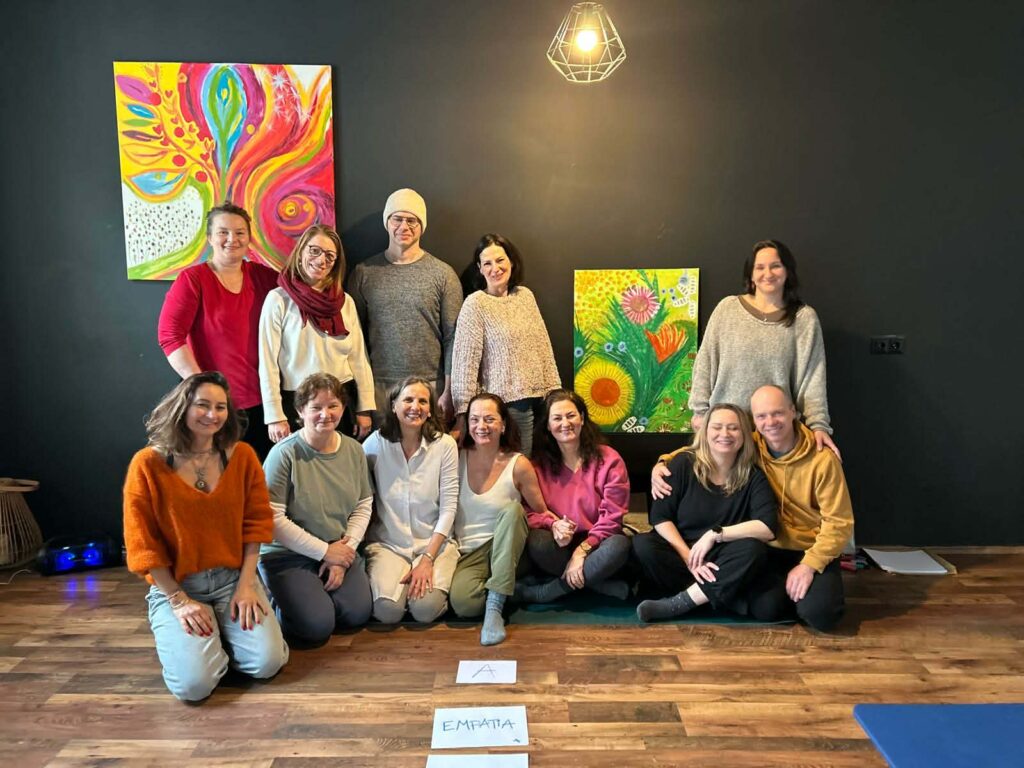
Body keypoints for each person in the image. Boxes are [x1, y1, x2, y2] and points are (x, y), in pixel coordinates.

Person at [122, 372, 288, 700]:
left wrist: (246, 586)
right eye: (203, 405)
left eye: (220, 407)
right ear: (182, 407)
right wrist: (178, 601)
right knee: (194, 687)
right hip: (178, 585)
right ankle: (198, 639)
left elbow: (256, 525)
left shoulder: (242, 457)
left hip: (233, 579)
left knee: (268, 663)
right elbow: (144, 545)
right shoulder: (147, 464)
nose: (212, 414)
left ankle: (221, 635)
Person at [688, 239, 840, 458]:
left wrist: (819, 425)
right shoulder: (727, 309)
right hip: (726, 433)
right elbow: (705, 363)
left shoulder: (804, 319)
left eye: (775, 266)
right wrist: (700, 412)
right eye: (760, 267)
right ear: (751, 274)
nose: (767, 273)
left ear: (787, 271)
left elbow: (812, 378)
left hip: (775, 435)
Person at [633, 404, 777, 622]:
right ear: (705, 432)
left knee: (753, 549)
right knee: (643, 545)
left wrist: (716, 534)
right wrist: (688, 557)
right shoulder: (683, 463)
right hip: (682, 552)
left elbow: (767, 527)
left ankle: (680, 603)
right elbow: (660, 518)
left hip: (722, 556)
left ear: (745, 435)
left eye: (733, 428)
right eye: (717, 427)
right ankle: (718, 594)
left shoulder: (753, 475)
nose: (725, 434)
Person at [157, 202, 279, 459]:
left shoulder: (265, 278)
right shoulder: (193, 279)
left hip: (262, 404)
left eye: (240, 232)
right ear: (210, 237)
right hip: (211, 408)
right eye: (223, 232)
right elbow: (170, 336)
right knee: (211, 475)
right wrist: (203, 388)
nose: (232, 239)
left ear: (249, 238)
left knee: (257, 476)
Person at [260, 373, 374, 645]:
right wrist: (325, 552)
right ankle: (277, 602)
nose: (326, 414)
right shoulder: (283, 454)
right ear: (300, 411)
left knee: (357, 614)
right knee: (316, 628)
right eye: (316, 407)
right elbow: (273, 519)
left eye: (333, 405)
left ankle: (314, 598)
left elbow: (363, 504)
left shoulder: (354, 450)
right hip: (287, 554)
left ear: (343, 408)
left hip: (338, 546)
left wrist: (342, 555)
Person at [348, 189, 462, 427]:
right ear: (387, 223)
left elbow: (453, 337)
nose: (404, 226)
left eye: (412, 220)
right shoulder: (363, 273)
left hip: (430, 387)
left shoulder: (443, 274)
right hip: (380, 389)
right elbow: (354, 338)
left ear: (422, 226)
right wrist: (362, 398)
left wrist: (449, 391)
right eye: (397, 219)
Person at [745, 385, 854, 631]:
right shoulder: (751, 447)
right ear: (754, 420)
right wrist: (664, 462)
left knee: (822, 616)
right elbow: (707, 448)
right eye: (761, 416)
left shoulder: (823, 459)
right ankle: (790, 596)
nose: (770, 422)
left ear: (793, 412)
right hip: (770, 549)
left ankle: (808, 594)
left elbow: (839, 522)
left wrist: (809, 566)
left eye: (777, 413)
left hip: (811, 549)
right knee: (765, 610)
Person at [259, 224, 375, 443]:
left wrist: (364, 408)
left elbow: (359, 358)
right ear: (301, 251)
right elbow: (268, 363)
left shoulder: (345, 302)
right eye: (314, 251)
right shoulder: (278, 300)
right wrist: (275, 416)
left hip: (342, 401)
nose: (321, 260)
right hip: (298, 402)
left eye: (330, 256)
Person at [450, 393, 550, 645]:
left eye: (489, 419)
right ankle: (517, 590)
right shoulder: (455, 457)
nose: (481, 426)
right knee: (464, 605)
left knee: (513, 511)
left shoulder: (519, 464)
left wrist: (559, 524)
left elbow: (541, 511)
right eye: (474, 419)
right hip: (469, 552)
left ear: (503, 424)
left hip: (507, 546)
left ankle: (494, 606)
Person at [516, 389, 632, 603]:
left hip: (597, 542)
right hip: (559, 544)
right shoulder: (537, 466)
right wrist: (553, 525)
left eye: (571, 416)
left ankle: (551, 590)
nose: (565, 423)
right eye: (557, 418)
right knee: (537, 542)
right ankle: (598, 584)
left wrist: (582, 551)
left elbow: (613, 516)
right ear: (548, 426)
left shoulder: (609, 459)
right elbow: (528, 511)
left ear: (582, 418)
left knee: (619, 545)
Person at [450, 234, 561, 456]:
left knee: (528, 466)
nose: (495, 268)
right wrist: (462, 413)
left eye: (500, 260)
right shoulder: (475, 304)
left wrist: (555, 395)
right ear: (480, 269)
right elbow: (464, 363)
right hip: (499, 409)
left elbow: (543, 346)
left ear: (511, 261)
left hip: (537, 403)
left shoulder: (525, 297)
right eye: (487, 263)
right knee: (508, 467)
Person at [362, 377, 460, 624]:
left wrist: (427, 559)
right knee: (387, 613)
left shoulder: (445, 445)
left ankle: (422, 593)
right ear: (393, 405)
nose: (415, 407)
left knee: (424, 610)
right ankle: (401, 591)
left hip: (433, 544)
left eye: (423, 401)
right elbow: (361, 497)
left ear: (430, 410)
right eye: (408, 400)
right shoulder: (374, 444)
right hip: (389, 545)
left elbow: (448, 509)